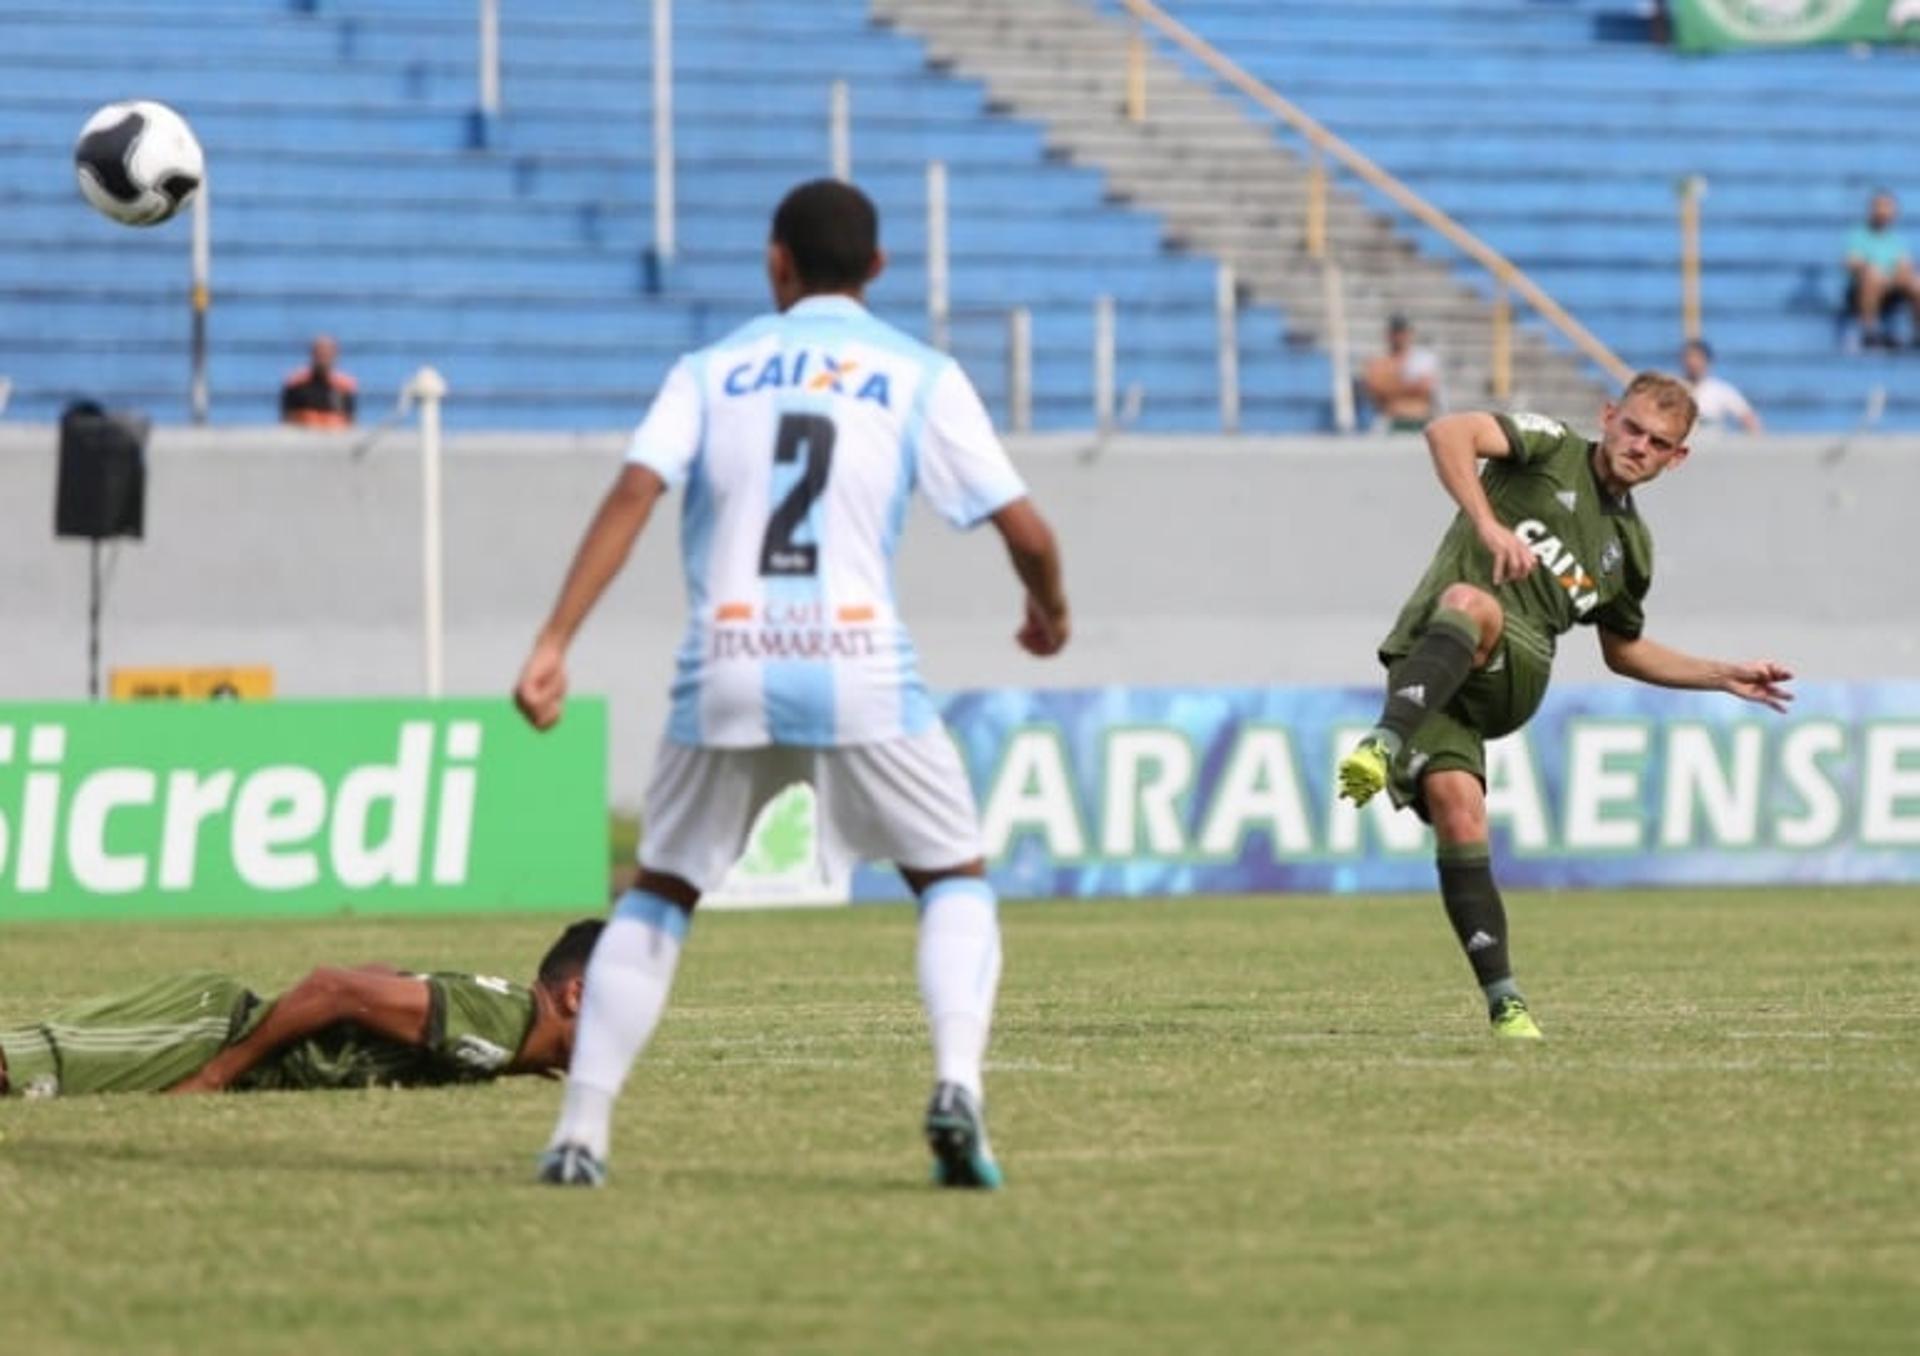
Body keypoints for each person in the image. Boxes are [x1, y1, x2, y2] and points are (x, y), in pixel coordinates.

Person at [512, 179, 1070, 1190]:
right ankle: (956, 1087)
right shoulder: (918, 373)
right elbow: (1027, 530)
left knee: (662, 896)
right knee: (950, 879)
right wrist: (1051, 609)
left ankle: (581, 1134)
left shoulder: (711, 370)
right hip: (862, 669)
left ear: (776, 262)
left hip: (724, 664)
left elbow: (634, 490)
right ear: (880, 269)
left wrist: (555, 637)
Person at [1333, 375, 1793, 1038]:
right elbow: (1447, 433)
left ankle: (1380, 743)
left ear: (1676, 459)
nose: (1638, 446)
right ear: (1608, 416)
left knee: (1470, 601)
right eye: (1631, 428)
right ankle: (1507, 1002)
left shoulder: (1630, 551)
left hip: (1513, 670)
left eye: (1658, 443)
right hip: (1430, 667)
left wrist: (1723, 674)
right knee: (1461, 816)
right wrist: (1488, 524)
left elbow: (1624, 650)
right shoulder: (1548, 446)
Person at [0, 920, 602, 1098]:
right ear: (574, 996)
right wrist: (215, 1075)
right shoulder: (498, 1025)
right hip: (203, 1032)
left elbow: (381, 976)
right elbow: (335, 985)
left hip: (211, 1021)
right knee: (21, 1069)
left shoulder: (504, 1027)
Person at [1844, 190, 1919, 349]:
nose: (1883, 211)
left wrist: (1902, 273)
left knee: (1916, 283)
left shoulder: (1897, 240)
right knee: (1872, 276)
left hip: (1891, 287)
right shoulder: (1859, 235)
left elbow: (1905, 264)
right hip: (1864, 288)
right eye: (1880, 206)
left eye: (1888, 207)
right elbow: (1851, 262)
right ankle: (1869, 332)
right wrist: (1871, 269)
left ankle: (1917, 334)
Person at [1360, 315, 1446, 432]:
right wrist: (1410, 385)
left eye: (1402, 332)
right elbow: (1374, 387)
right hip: (1391, 421)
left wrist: (1391, 383)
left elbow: (1425, 387)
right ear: (1388, 335)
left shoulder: (1423, 359)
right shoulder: (1378, 362)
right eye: (1395, 332)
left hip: (1420, 420)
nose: (1399, 337)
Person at [1680, 339, 1762, 434]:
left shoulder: (1720, 390)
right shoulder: (1673, 388)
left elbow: (1748, 418)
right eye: (1689, 357)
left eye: (1697, 358)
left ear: (1707, 360)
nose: (1693, 363)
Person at [279, 334, 358, 428]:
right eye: (319, 352)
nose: (323, 357)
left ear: (335, 355)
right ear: (312, 354)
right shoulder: (296, 384)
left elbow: (350, 423)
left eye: (327, 353)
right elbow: (287, 421)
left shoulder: (345, 387)